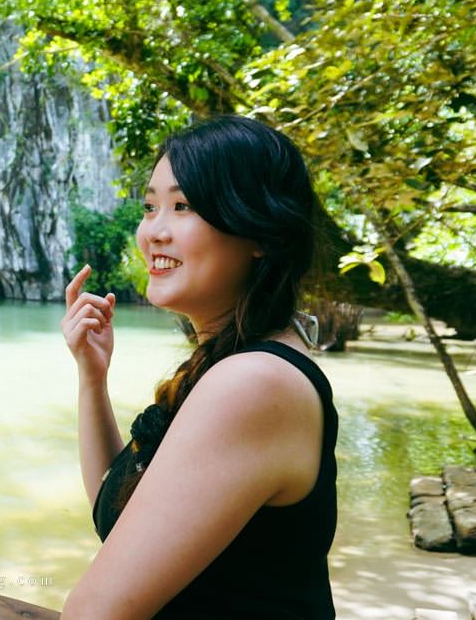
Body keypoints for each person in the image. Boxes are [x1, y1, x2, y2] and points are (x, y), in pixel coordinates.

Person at [60, 114, 337, 619]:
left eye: (182, 206)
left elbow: (94, 612)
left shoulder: (254, 383)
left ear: (260, 231)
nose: (153, 233)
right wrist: (92, 378)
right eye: (150, 207)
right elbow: (119, 513)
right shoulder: (237, 363)